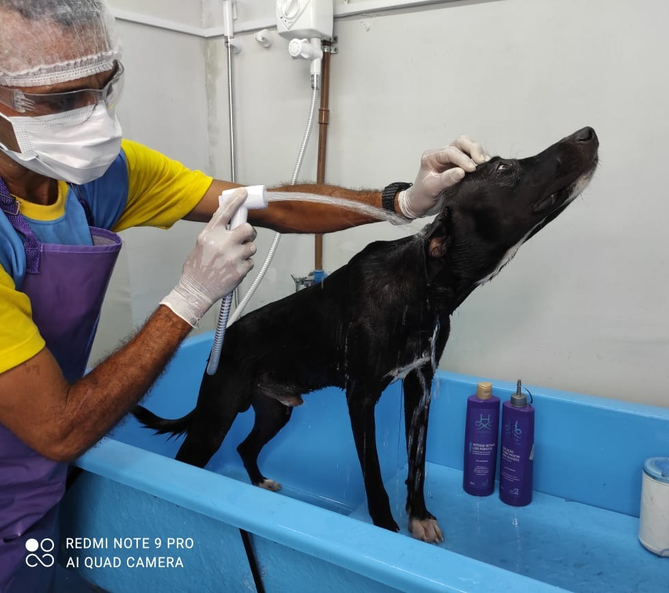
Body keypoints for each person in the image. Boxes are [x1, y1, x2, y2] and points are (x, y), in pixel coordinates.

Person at [0, 0, 490, 590]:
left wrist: (399, 202)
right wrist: (188, 299)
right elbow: (59, 428)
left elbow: (267, 203)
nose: (93, 117)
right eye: (59, 101)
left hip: (38, 480)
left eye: (103, 89)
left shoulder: (95, 174)